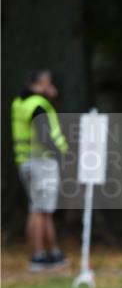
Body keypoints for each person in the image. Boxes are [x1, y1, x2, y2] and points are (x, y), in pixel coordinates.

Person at [11, 69, 70, 272]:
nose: (52, 87)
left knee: (42, 208)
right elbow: (44, 134)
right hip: (41, 161)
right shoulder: (38, 105)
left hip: (25, 161)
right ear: (43, 82)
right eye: (50, 83)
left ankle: (51, 253)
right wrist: (59, 154)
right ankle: (38, 255)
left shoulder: (20, 102)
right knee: (39, 209)